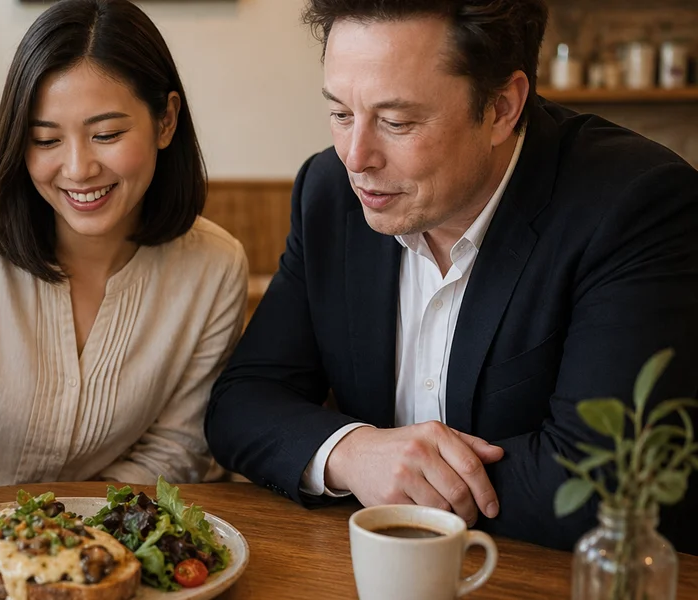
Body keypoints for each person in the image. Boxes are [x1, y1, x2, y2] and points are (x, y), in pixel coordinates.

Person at [205, 0, 698, 552]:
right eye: (341, 113)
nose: (355, 156)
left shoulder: (635, 204)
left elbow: (605, 480)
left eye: (397, 122)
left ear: (502, 107)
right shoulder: (329, 192)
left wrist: (410, 482)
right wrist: (353, 452)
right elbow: (242, 402)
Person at [0, 0, 248, 523]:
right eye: (46, 140)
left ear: (165, 121)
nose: (77, 168)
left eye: (107, 135)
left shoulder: (214, 267)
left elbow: (179, 448)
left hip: (111, 513)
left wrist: (66, 525)